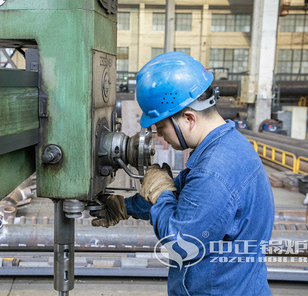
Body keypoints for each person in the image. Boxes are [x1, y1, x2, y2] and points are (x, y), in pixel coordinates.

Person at [91, 52, 275, 295]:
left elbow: (180, 243)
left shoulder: (214, 171)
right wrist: (127, 207)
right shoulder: (225, 146)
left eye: (160, 126)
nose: (159, 135)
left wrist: (161, 193)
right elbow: (184, 203)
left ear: (188, 118)